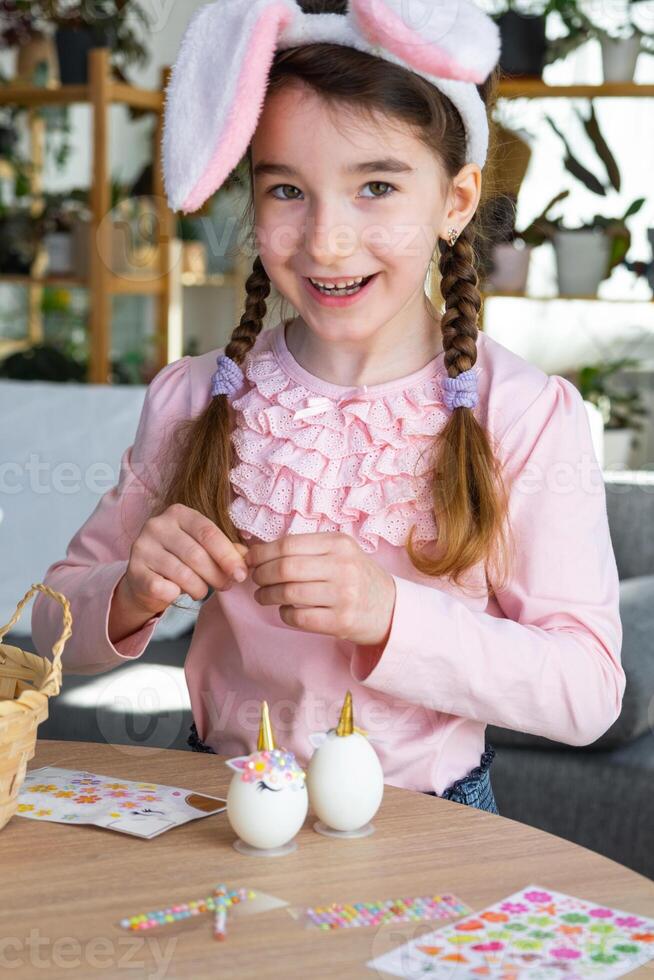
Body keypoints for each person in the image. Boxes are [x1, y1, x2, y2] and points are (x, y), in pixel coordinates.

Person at [32, 0, 625, 816]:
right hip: (222, 812)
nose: (326, 241)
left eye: (376, 186)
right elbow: (50, 625)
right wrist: (131, 592)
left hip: (432, 821)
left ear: (455, 202)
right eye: (287, 191)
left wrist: (390, 615)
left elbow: (587, 691)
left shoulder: (521, 415)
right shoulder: (195, 398)